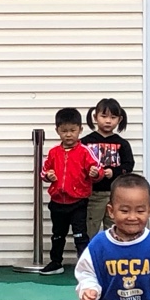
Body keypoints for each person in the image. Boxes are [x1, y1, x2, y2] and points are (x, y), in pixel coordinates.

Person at [36, 107, 102, 276]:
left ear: (80, 129)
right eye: (64, 131)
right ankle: (56, 262)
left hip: (78, 202)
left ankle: (85, 266)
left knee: (80, 235)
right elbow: (44, 171)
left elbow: (98, 169)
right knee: (57, 234)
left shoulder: (85, 151)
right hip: (57, 202)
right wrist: (48, 176)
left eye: (72, 130)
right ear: (57, 130)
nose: (68, 135)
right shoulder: (53, 152)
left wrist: (95, 173)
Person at [81, 97, 135, 241]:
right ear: (95, 117)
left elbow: (129, 165)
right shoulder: (86, 142)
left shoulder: (122, 143)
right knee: (90, 228)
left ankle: (114, 253)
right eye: (104, 116)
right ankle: (90, 253)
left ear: (119, 119)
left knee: (114, 229)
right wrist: (89, 172)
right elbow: (78, 165)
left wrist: (114, 172)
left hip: (115, 194)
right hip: (93, 195)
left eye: (113, 117)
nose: (108, 121)